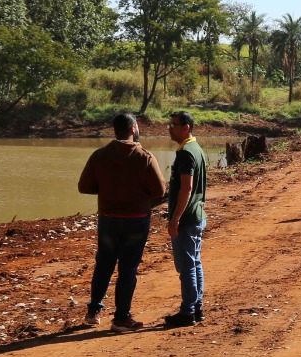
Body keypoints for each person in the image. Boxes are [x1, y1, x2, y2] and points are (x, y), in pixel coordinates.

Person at [77, 112, 167, 332]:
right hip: (136, 221)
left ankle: (93, 311)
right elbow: (159, 190)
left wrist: (108, 190)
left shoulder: (100, 155)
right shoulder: (144, 156)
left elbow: (84, 187)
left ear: (114, 130)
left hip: (108, 219)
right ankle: (121, 318)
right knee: (128, 269)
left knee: (104, 265)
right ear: (134, 129)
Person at [163, 110, 208, 328]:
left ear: (186, 128)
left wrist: (175, 219)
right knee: (195, 263)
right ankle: (196, 307)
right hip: (196, 216)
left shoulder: (186, 153)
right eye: (169, 124)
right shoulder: (195, 149)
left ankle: (187, 311)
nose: (170, 128)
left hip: (187, 219)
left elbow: (187, 188)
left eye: (174, 125)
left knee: (187, 266)